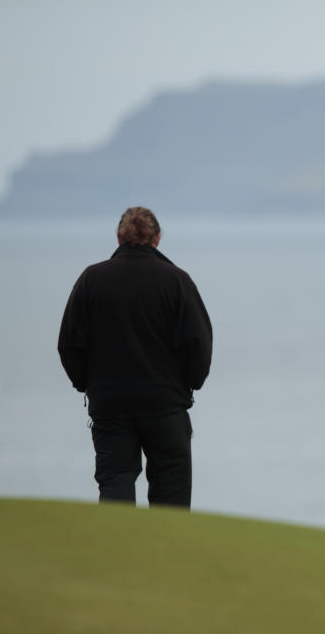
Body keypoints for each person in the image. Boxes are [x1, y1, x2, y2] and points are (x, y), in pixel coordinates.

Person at [58, 207, 212, 508]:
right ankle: (165, 553)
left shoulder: (92, 279)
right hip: (166, 407)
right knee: (171, 492)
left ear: (119, 238)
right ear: (157, 239)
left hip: (111, 406)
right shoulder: (177, 281)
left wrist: (86, 384)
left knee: (115, 482)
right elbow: (199, 344)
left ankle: (118, 552)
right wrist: (190, 384)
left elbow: (68, 345)